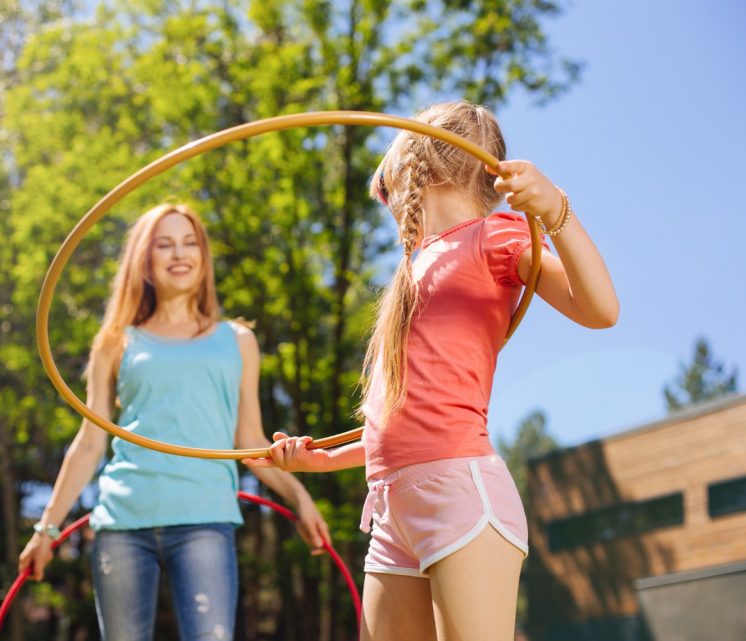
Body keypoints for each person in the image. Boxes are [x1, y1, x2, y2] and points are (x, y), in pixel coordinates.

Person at [245, 101, 619, 641]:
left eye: (385, 188)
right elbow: (402, 419)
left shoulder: (495, 238)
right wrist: (322, 461)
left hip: (459, 495)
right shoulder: (406, 275)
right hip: (391, 508)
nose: (389, 203)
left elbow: (600, 310)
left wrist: (555, 211)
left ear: (414, 167)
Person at [19, 203, 331, 641]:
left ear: (203, 257)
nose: (178, 254)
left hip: (205, 519)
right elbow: (90, 443)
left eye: (189, 243)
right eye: (164, 245)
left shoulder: (238, 341)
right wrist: (46, 528)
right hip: (123, 523)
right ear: (144, 261)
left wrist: (300, 498)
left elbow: (250, 441)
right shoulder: (115, 341)